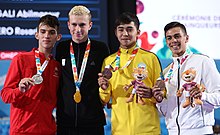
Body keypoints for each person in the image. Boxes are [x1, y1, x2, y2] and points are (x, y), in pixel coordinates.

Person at [98, 12, 163, 135]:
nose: (125, 34)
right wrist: (104, 88)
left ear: (138, 32)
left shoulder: (151, 58)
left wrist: (152, 94)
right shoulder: (109, 61)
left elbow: (163, 93)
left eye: (129, 29)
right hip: (119, 130)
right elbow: (104, 99)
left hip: (148, 130)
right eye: (121, 30)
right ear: (116, 33)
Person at [154, 21, 220, 135]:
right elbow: (166, 111)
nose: (173, 41)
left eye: (177, 36)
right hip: (173, 132)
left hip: (200, 132)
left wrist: (202, 96)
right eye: (169, 38)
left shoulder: (203, 61)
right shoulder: (167, 72)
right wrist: (159, 100)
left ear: (186, 38)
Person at [0, 14, 62, 135]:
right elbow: (5, 95)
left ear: (58, 37)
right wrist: (19, 90)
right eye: (43, 31)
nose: (46, 36)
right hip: (22, 130)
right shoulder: (21, 59)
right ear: (36, 35)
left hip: (48, 131)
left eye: (51, 32)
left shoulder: (57, 66)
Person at [55, 5, 109, 135]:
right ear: (68, 25)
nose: (77, 29)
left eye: (82, 25)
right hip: (66, 121)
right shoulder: (61, 48)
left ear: (90, 25)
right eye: (74, 24)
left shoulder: (100, 49)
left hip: (93, 121)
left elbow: (106, 79)